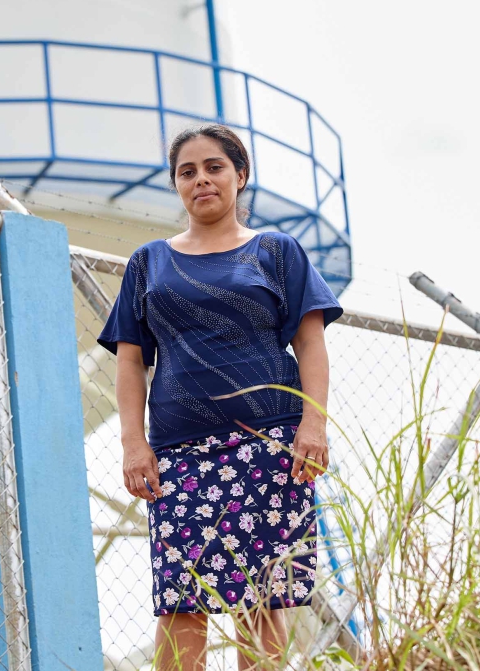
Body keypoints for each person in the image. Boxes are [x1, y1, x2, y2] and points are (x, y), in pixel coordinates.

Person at [97, 124, 343, 670]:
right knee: (181, 602)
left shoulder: (276, 251)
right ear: (176, 185)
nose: (201, 180)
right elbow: (131, 360)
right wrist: (133, 444)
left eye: (214, 168)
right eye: (187, 172)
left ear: (240, 176)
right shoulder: (147, 262)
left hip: (271, 444)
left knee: (261, 602)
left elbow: (310, 343)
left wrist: (314, 425)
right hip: (179, 453)